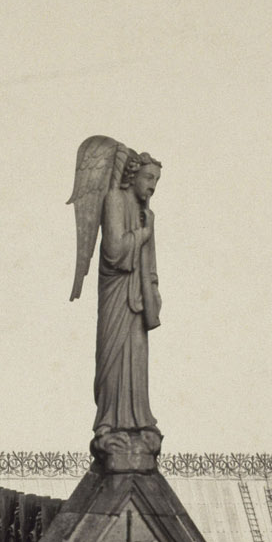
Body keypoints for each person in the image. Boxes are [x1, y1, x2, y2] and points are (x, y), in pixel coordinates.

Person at [94, 151, 162, 451]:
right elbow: (114, 252)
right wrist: (143, 234)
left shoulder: (148, 214)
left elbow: (151, 264)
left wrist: (154, 291)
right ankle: (108, 424)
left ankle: (139, 421)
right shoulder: (114, 200)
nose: (153, 185)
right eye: (148, 178)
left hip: (139, 299)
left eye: (156, 180)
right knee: (114, 358)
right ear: (132, 176)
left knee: (137, 359)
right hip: (117, 295)